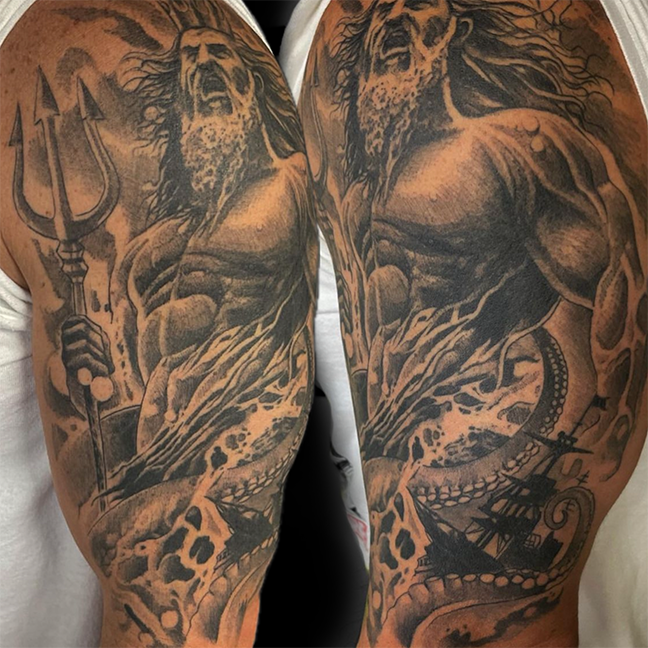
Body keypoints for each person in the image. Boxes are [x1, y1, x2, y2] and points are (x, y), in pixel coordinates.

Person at [284, 0, 648, 646]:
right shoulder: (328, 60)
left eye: (419, 22)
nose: (399, 24)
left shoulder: (497, 142)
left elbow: (477, 632)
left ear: (446, 33)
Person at [0, 0, 316, 646]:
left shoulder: (86, 41)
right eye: (195, 69)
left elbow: (189, 622)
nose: (208, 74)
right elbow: (135, 396)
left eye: (217, 68)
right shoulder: (156, 247)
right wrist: (84, 372)